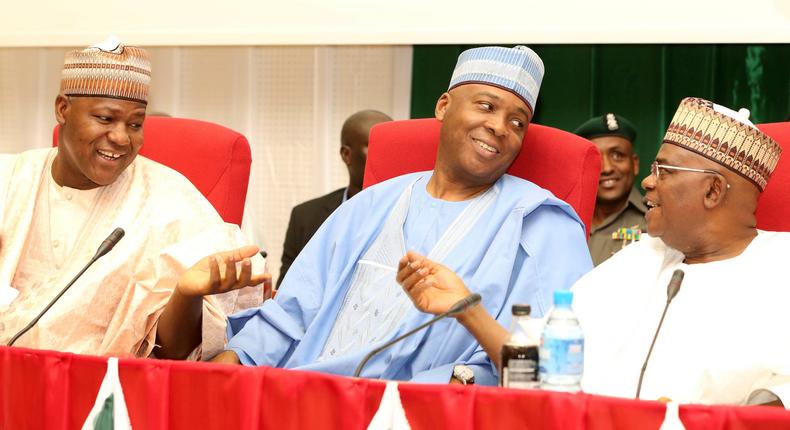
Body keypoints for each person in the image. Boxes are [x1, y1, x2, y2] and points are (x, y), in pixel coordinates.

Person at [195, 46, 593, 386]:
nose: (499, 127)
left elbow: (547, 372)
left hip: (420, 412)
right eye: (486, 106)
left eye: (518, 122)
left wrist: (467, 317)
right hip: (301, 394)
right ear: (443, 106)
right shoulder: (368, 206)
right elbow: (290, 314)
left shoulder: (543, 225)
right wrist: (229, 365)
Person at [396, 97, 790, 406]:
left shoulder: (780, 266)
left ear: (713, 190)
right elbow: (536, 368)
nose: (648, 184)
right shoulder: (642, 258)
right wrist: (468, 309)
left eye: (664, 172)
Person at [0, 39, 265, 360]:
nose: (122, 138)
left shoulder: (170, 203)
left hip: (104, 389)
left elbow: (175, 355)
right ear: (62, 109)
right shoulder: (10, 180)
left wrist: (186, 294)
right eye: (105, 119)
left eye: (136, 124)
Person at [277, 110, 392, 287]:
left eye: (392, 146)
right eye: (376, 146)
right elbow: (285, 294)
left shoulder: (412, 214)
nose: (386, 155)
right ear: (346, 155)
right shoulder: (305, 217)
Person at [575, 113, 647, 266]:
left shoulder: (656, 221)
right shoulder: (566, 219)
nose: (606, 168)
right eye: (596, 158)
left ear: (635, 164)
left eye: (617, 155)